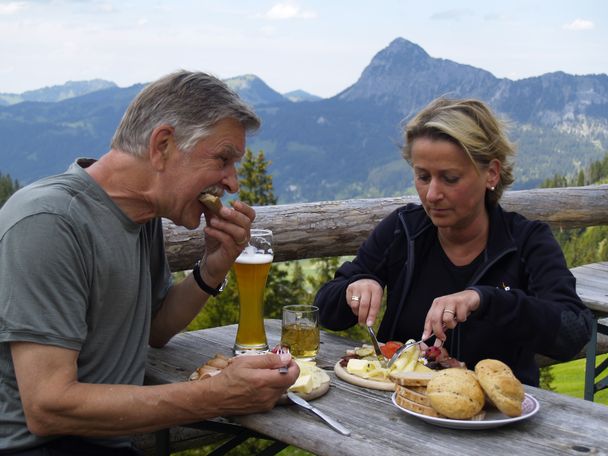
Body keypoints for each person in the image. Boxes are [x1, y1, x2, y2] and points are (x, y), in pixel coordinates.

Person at [0, 71, 299, 455]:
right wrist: (215, 396)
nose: (233, 183)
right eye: (223, 159)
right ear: (163, 145)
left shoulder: (142, 218)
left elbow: (155, 327)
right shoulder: (49, 223)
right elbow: (48, 406)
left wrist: (213, 267)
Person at [314, 97, 593, 386]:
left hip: (494, 418)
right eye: (423, 176)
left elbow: (572, 332)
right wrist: (353, 289)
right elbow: (325, 312)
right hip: (397, 406)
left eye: (450, 178)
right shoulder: (404, 229)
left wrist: (485, 299)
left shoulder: (526, 241)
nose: (432, 194)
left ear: (491, 174)